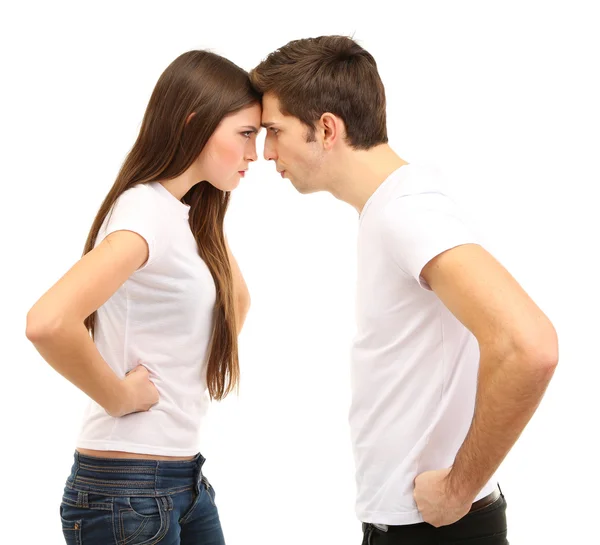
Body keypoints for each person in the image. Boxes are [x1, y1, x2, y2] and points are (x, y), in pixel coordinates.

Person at [250, 35, 558, 545]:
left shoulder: (406, 211)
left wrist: (459, 489)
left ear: (326, 128)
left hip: (436, 530)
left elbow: (531, 347)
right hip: (412, 526)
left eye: (274, 131)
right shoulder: (392, 208)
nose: (265, 152)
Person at [26, 50, 261, 544]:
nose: (254, 154)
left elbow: (236, 300)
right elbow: (48, 322)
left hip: (183, 481)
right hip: (127, 490)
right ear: (195, 123)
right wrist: (119, 396)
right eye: (245, 133)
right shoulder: (145, 211)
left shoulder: (182, 214)